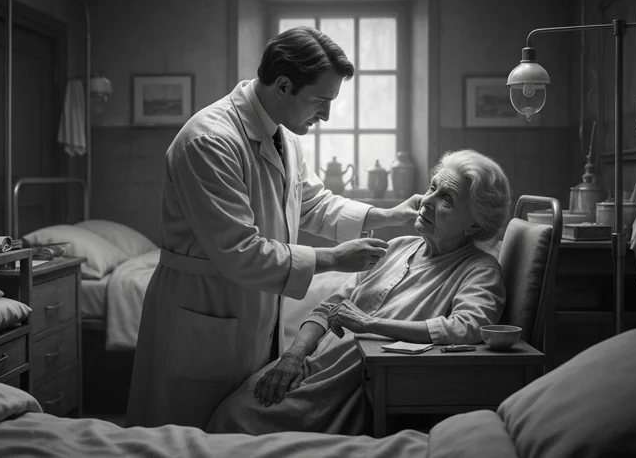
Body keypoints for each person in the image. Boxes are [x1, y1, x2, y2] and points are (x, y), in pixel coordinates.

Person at [126, 26, 425, 430]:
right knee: (183, 434)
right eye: (321, 100)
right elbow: (239, 250)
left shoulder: (284, 135)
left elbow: (314, 204)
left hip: (251, 307)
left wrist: (390, 215)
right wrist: (332, 258)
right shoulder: (210, 140)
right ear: (283, 85)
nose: (327, 114)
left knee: (236, 429)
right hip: (204, 305)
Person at [206, 149, 512, 436]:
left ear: (474, 224)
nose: (427, 201)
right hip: (312, 363)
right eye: (432, 188)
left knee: (236, 423)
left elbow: (468, 328)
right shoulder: (396, 247)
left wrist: (370, 325)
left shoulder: (480, 270)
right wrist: (293, 356)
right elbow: (328, 307)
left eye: (446, 198)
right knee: (229, 413)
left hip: (352, 386)